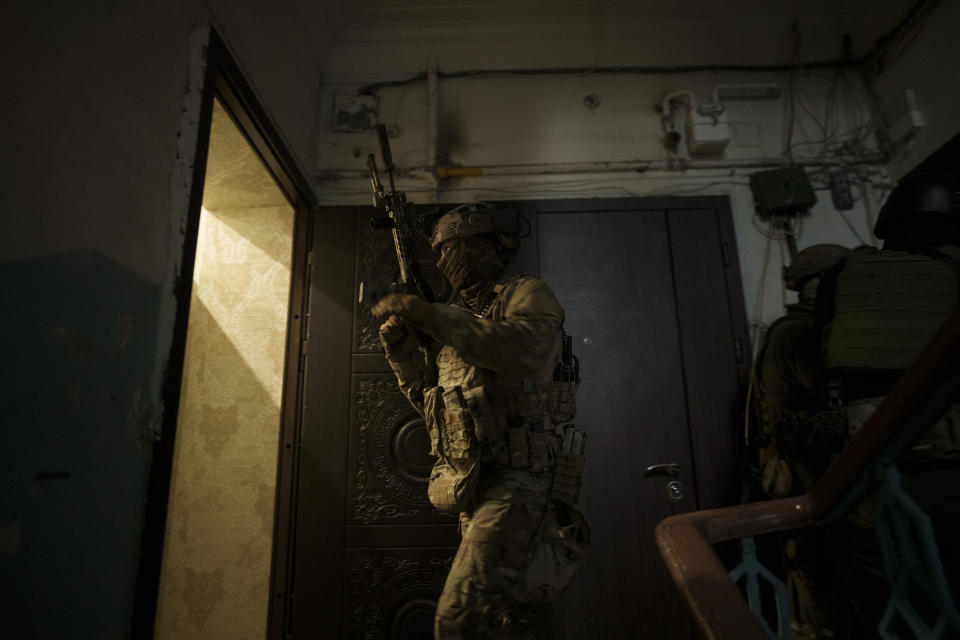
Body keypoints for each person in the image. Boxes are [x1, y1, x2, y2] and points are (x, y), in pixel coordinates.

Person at [371, 203, 589, 639]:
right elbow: (432, 405)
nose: (439, 259)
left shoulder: (525, 295)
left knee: (458, 621)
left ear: (479, 247)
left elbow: (518, 350)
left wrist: (432, 317)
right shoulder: (452, 320)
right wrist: (402, 357)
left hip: (520, 483)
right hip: (474, 485)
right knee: (499, 620)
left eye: (447, 247)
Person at [808, 170, 960, 637]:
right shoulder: (954, 271)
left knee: (882, 596)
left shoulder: (845, 273)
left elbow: (824, 353)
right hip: (947, 456)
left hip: (863, 459)